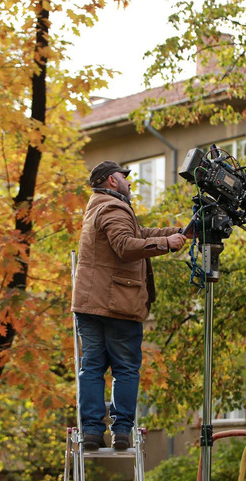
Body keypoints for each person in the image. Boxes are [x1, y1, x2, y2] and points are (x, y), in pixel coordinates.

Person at [71, 160, 190, 452]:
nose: (130, 182)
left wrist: (178, 233)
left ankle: (91, 432)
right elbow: (126, 245)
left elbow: (138, 233)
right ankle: (122, 429)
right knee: (125, 369)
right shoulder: (113, 208)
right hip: (117, 304)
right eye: (125, 177)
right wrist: (167, 244)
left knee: (92, 368)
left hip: (90, 304)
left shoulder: (99, 206)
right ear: (112, 180)